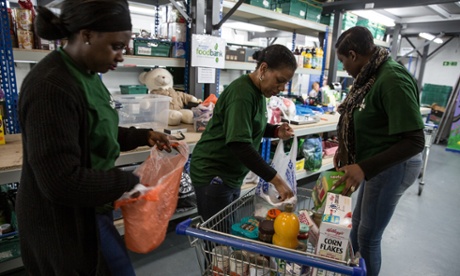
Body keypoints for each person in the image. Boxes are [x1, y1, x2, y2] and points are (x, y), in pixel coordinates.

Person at [16, 1, 171, 275]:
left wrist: (143, 136)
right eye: (116, 46)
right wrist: (128, 181)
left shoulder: (89, 74)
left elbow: (92, 130)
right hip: (62, 224)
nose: (121, 56)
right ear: (86, 35)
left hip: (92, 208)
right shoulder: (51, 86)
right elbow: (60, 180)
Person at [332, 26, 425, 276]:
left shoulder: (392, 79)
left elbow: (416, 141)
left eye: (342, 61)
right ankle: (353, 271)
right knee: (357, 228)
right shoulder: (370, 76)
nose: (343, 68)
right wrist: (345, 146)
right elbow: (361, 116)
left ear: (353, 55)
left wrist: (363, 167)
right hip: (376, 162)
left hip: (394, 164)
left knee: (369, 235)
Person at [190, 44, 297, 222]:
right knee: (217, 239)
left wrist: (276, 130)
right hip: (214, 173)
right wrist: (276, 180)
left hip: (231, 174)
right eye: (279, 80)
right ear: (263, 69)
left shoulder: (259, 93)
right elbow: (240, 144)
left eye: (285, 83)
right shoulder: (242, 94)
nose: (281, 88)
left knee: (225, 232)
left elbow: (252, 126)